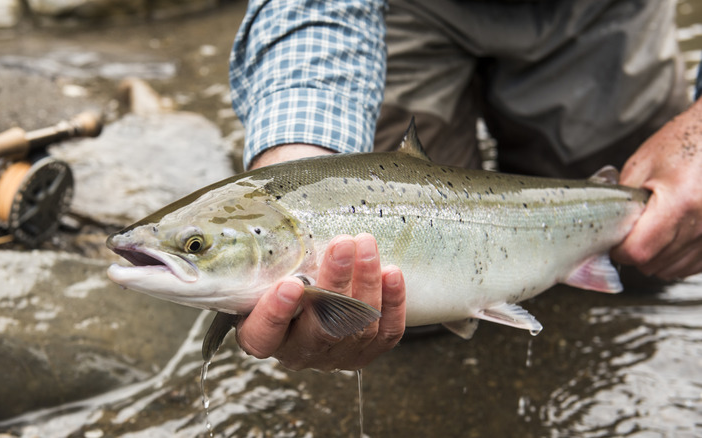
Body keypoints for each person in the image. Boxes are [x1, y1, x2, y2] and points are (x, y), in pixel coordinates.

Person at [227, 0, 702, 371]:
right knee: (378, 317)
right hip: (405, 11)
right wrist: (298, 167)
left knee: (661, 242)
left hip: (599, 9)